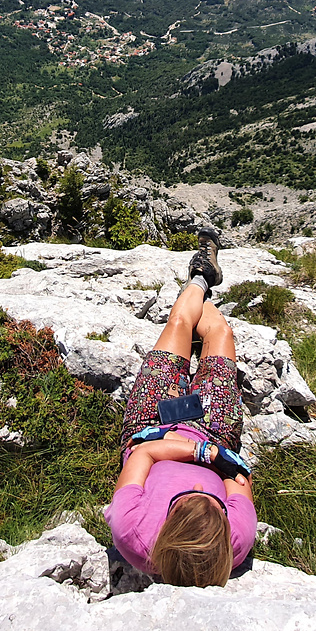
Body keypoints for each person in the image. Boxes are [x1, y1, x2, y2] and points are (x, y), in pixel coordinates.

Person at [105, 228, 256, 587]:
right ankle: (202, 282)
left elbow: (143, 455)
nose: (200, 492)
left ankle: (200, 280)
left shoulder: (132, 534)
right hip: (213, 429)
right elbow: (240, 477)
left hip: (152, 424)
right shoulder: (236, 540)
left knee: (178, 324)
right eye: (215, 503)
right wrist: (212, 453)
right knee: (221, 336)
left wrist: (203, 454)